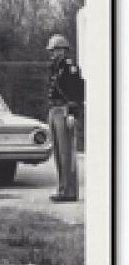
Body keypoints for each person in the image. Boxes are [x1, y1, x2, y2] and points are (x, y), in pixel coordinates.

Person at [46, 34, 83, 202]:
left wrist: (73, 113)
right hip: (54, 109)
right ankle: (62, 189)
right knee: (59, 154)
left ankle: (69, 191)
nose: (53, 53)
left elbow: (76, 92)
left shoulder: (70, 67)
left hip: (65, 110)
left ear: (63, 50)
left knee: (66, 152)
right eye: (52, 50)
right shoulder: (55, 67)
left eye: (55, 50)